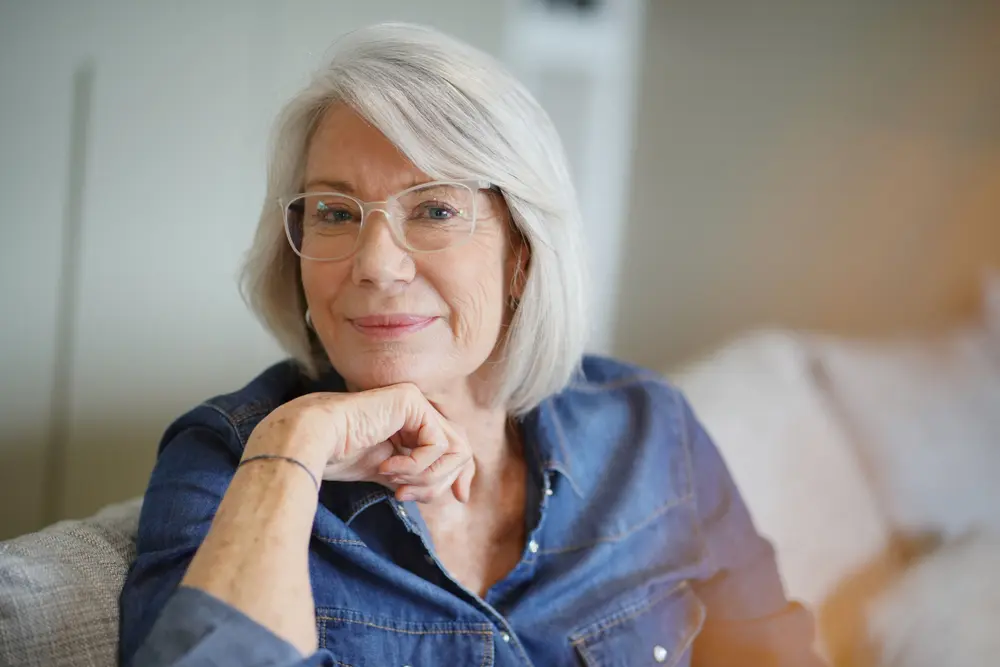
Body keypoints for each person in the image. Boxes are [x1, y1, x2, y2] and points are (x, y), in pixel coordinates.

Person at [118, 22, 825, 667]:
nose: (376, 264)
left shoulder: (651, 432)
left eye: (433, 209)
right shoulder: (229, 462)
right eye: (335, 212)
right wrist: (295, 444)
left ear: (521, 254)